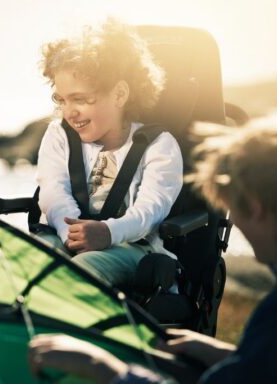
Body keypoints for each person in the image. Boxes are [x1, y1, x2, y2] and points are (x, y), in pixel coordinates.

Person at [29, 121, 277, 383]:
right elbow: (267, 368)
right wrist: (219, 353)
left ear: (255, 208)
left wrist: (106, 370)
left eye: (235, 212)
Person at [35, 18, 183, 288]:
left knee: (80, 272)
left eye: (80, 99)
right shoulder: (59, 135)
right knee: (23, 260)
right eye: (62, 100)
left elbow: (150, 211)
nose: (70, 112)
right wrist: (72, 234)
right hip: (63, 235)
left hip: (132, 248)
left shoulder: (158, 145)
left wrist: (108, 232)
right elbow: (53, 192)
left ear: (119, 94)